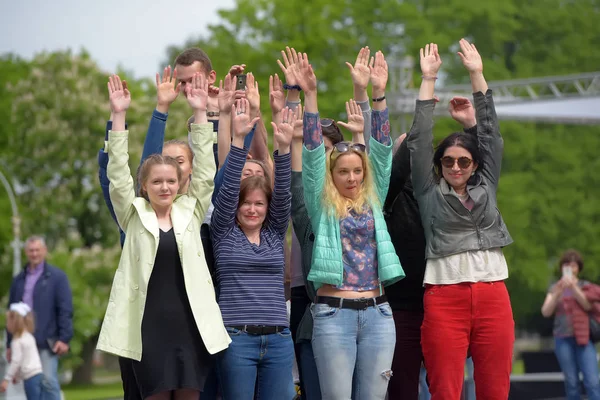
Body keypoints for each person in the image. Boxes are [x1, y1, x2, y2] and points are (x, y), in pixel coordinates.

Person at [96, 73, 230, 400]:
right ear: (144, 186)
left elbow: (205, 174)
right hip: (147, 330)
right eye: (157, 182)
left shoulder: (190, 210)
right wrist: (119, 115)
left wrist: (201, 114)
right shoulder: (133, 214)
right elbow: (116, 173)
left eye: (170, 181)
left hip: (190, 327)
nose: (165, 187)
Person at [407, 40, 514, 400]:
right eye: (448, 161)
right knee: (445, 389)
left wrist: (476, 73)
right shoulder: (429, 191)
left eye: (464, 161)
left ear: (475, 165)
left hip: (493, 293)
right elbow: (419, 141)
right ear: (439, 166)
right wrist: (428, 79)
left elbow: (491, 135)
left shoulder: (486, 186)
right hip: (444, 296)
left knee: (495, 388)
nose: (455, 166)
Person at [294, 50, 404, 399]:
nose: (352, 177)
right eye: (343, 171)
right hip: (333, 315)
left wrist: (378, 93)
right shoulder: (321, 202)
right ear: (332, 174)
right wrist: (309, 96)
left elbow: (383, 150)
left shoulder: (374, 197)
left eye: (357, 170)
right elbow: (312, 153)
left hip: (378, 313)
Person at [385, 95, 480, 399]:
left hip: (445, 302)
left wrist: (471, 125)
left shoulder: (447, 196)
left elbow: (478, 167)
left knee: (446, 386)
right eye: (411, 151)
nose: (417, 156)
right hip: (403, 305)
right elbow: (399, 170)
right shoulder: (390, 197)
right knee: (403, 386)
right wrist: (416, 131)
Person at [210, 98, 295, 400]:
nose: (252, 209)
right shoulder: (223, 232)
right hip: (237, 337)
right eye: (246, 203)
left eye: (259, 204)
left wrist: (283, 150)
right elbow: (228, 187)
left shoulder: (274, 232)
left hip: (278, 338)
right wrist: (236, 141)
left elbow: (283, 193)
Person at [7, 236, 72, 400]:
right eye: (31, 250)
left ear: (44, 251)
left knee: (48, 381)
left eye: (37, 250)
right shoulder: (18, 280)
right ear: (26, 252)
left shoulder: (57, 278)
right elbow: (12, 314)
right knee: (31, 385)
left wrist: (64, 338)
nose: (34, 254)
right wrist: (9, 344)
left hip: (47, 339)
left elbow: (65, 309)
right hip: (23, 340)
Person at [541, 249, 600, 400]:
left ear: (579, 268)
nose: (570, 269)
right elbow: (546, 311)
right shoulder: (555, 287)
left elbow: (587, 305)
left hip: (584, 338)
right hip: (562, 339)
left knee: (592, 381)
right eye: (567, 265)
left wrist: (574, 287)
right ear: (562, 267)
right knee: (571, 382)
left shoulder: (585, 285)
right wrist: (558, 292)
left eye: (574, 265)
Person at [1, 303, 48, 400]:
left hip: (30, 378)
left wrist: (7, 379)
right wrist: (17, 376)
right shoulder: (29, 337)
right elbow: (26, 359)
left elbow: (16, 361)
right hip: (39, 374)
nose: (6, 325)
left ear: (14, 322)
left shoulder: (17, 341)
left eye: (8, 321)